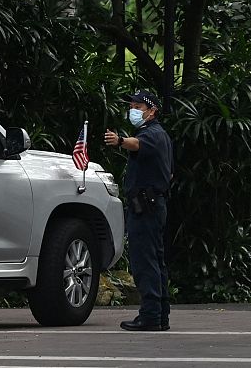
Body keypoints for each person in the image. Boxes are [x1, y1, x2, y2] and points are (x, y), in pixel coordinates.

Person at [103, 90, 174, 332]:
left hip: (146, 207)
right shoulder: (161, 135)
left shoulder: (152, 134)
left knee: (144, 261)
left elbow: (137, 145)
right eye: (132, 104)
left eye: (138, 105)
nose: (132, 108)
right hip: (152, 205)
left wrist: (120, 141)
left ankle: (151, 315)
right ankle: (160, 314)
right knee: (155, 260)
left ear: (151, 110)